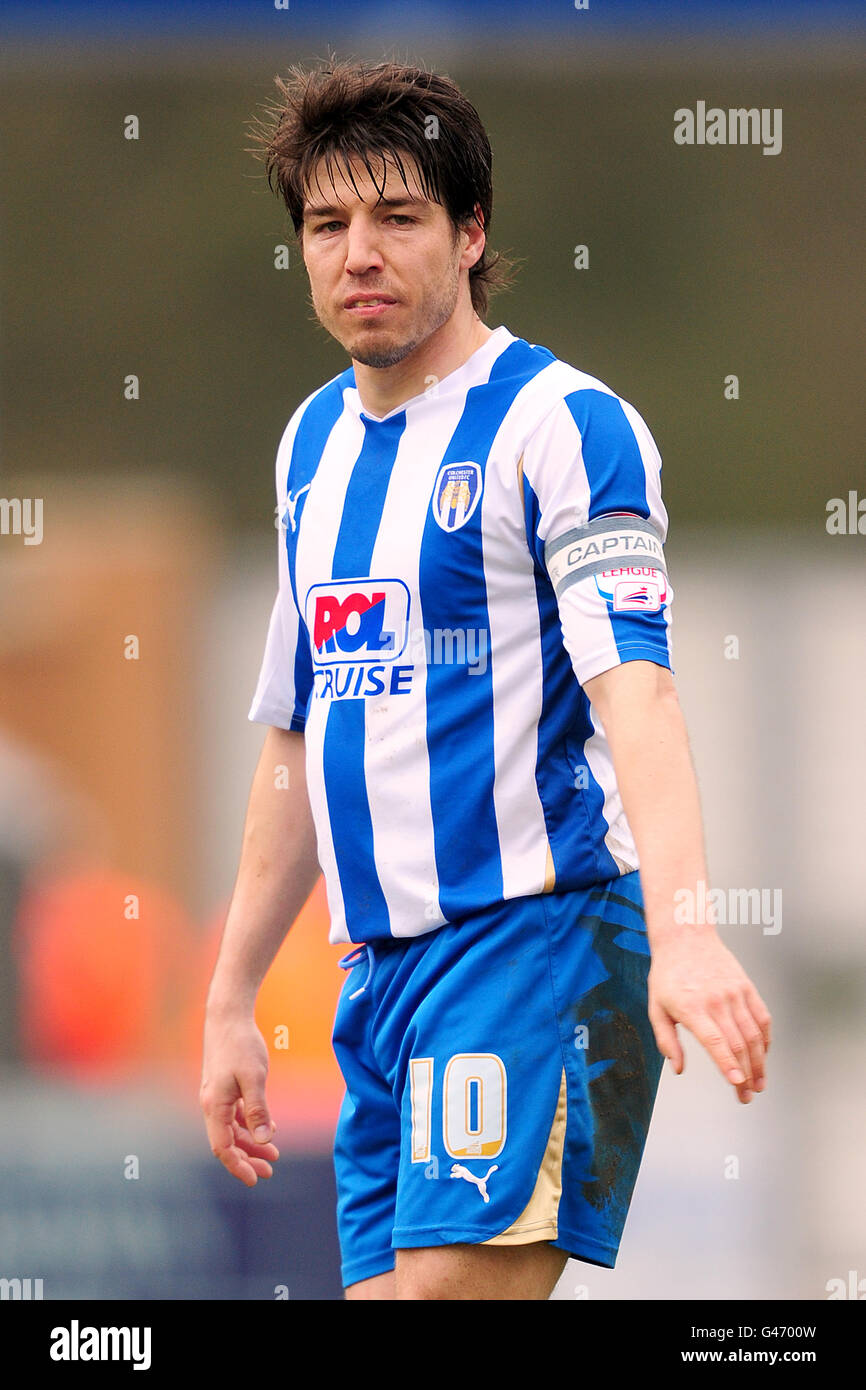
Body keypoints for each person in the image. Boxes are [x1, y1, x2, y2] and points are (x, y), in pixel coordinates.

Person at [200, 58, 771, 1302]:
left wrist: (684, 935)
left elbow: (637, 688)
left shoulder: (559, 426)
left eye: (396, 218)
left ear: (469, 235)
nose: (357, 253)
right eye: (325, 224)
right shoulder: (309, 447)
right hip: (378, 979)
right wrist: (230, 998)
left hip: (537, 937)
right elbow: (300, 736)